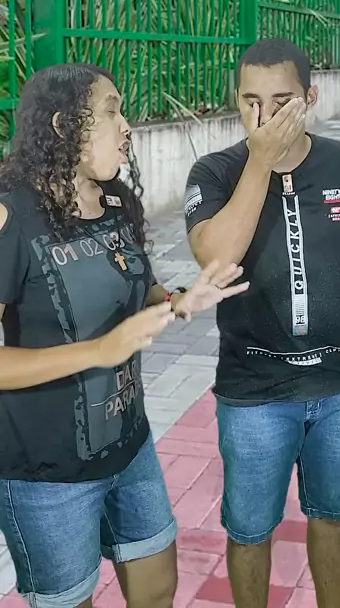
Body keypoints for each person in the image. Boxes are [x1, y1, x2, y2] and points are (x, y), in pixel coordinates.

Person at [184, 38, 340, 608]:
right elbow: (215, 258)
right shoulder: (215, 172)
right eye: (251, 101)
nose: (264, 116)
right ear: (236, 100)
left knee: (334, 517)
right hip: (253, 391)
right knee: (249, 532)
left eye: (281, 102)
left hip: (339, 388)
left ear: (310, 98)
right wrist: (260, 162)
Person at [0, 63, 249, 608]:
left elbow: (139, 287)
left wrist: (178, 300)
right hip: (47, 472)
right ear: (64, 125)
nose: (126, 125)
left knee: (158, 587)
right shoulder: (11, 216)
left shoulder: (115, 202)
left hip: (130, 446)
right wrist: (99, 350)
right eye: (111, 111)